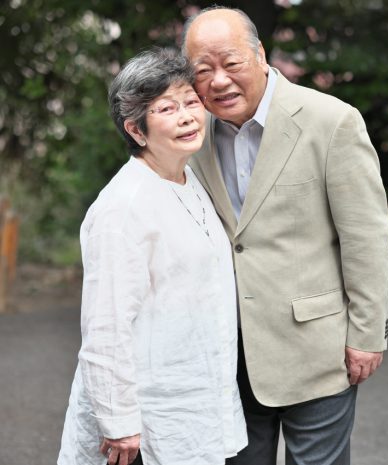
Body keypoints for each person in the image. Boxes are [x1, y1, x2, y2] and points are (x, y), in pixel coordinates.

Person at [182, 7, 388, 465]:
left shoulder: (331, 121)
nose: (218, 80)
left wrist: (367, 334)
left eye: (231, 63)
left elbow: (366, 238)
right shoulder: (190, 136)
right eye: (203, 70)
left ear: (259, 55)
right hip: (228, 354)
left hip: (317, 349)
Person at [57, 48, 247, 465]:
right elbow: (106, 325)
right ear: (136, 130)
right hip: (144, 418)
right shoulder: (123, 207)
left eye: (191, 103)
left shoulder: (188, 179)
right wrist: (119, 420)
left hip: (194, 399)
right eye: (166, 108)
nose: (186, 117)